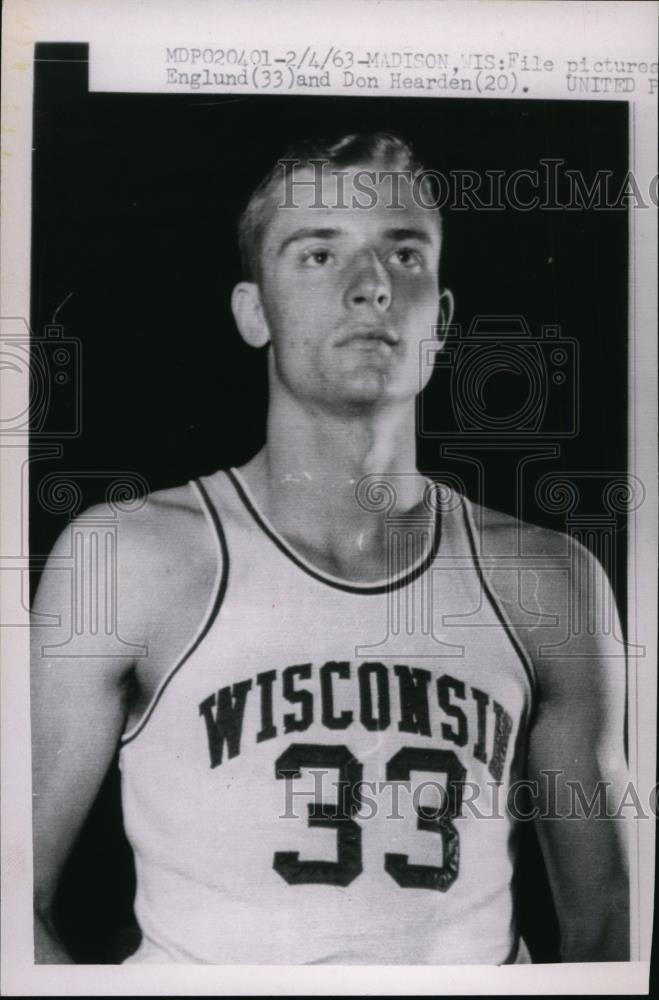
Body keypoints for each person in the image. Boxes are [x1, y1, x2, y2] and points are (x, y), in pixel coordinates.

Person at [31, 132, 629, 965]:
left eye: (404, 253)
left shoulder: (550, 581)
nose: (371, 287)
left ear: (444, 317)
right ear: (253, 310)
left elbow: (609, 932)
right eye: (317, 254)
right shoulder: (129, 561)